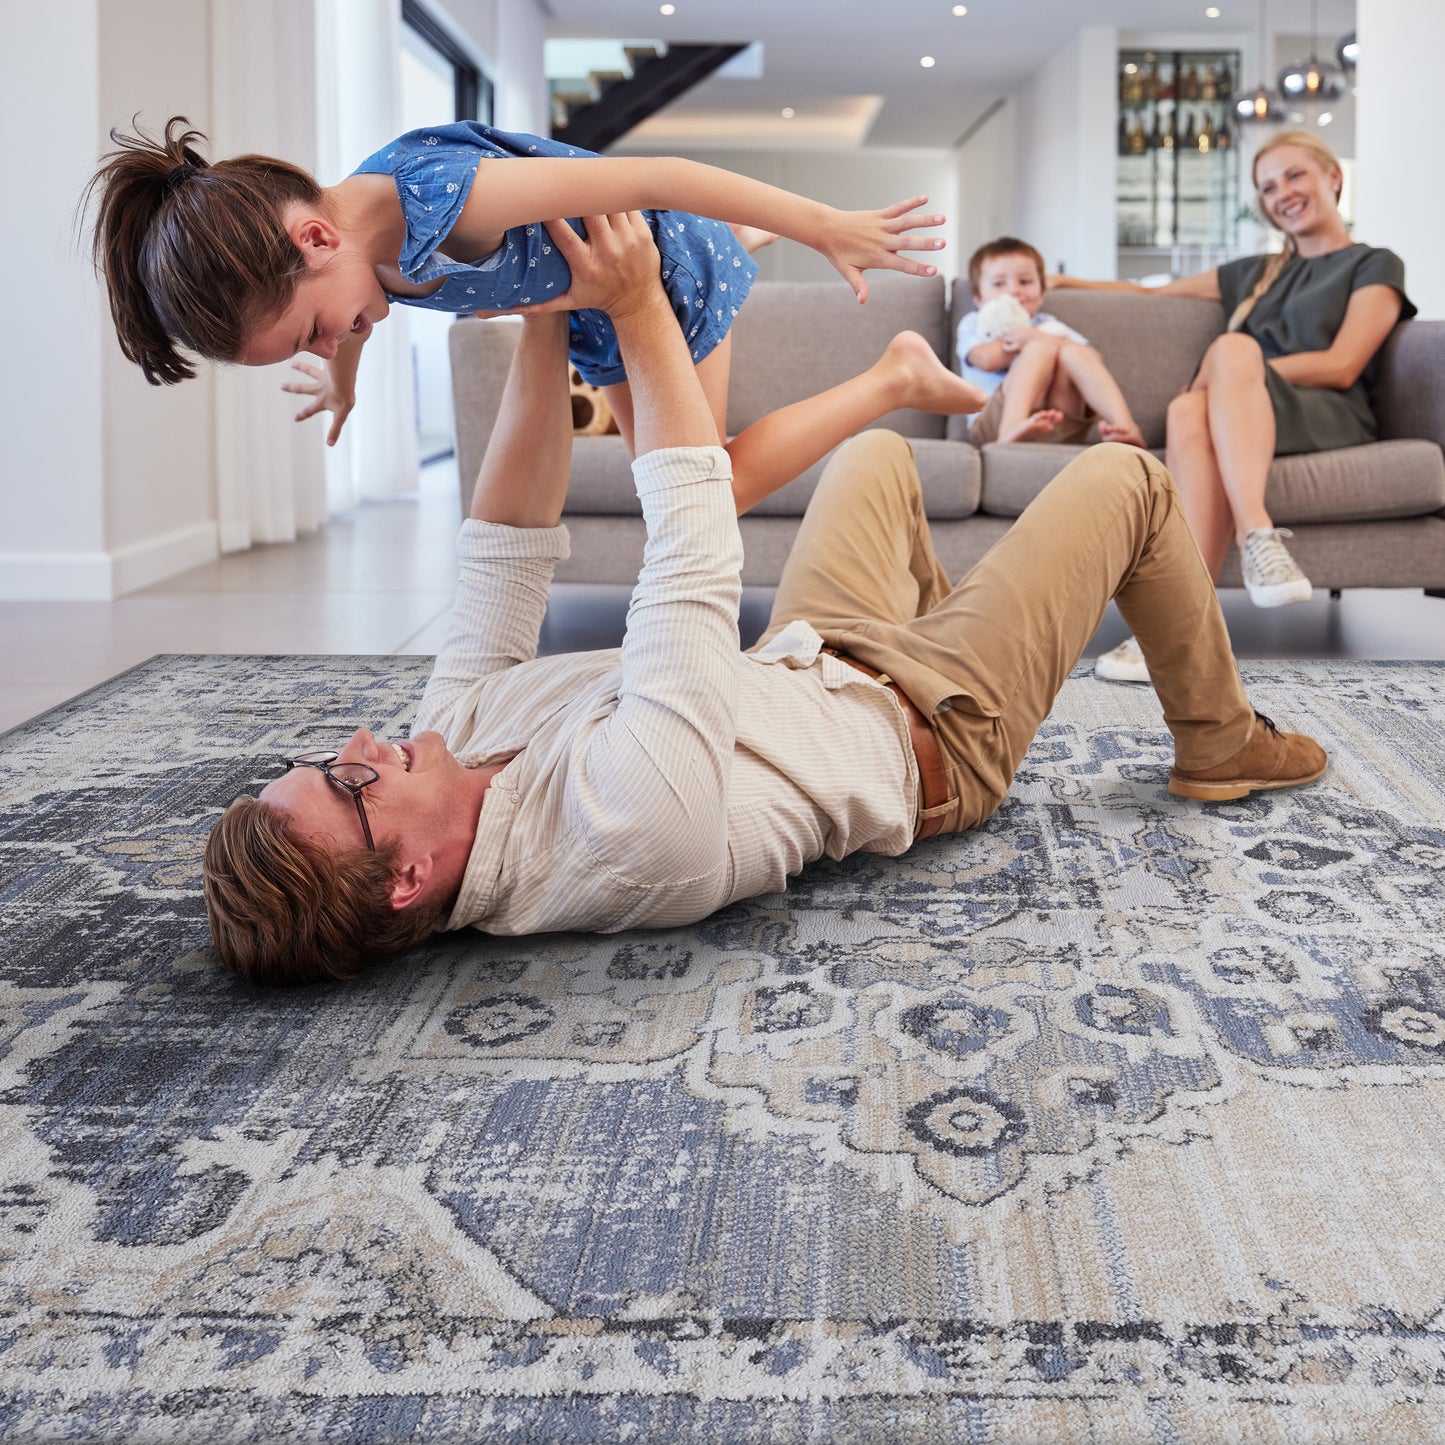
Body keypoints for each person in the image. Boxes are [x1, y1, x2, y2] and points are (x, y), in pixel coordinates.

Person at [202, 211, 1328, 988]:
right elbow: (690, 554)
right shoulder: (624, 830)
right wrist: (637, 311)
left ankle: (962, 617)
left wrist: (547, 309)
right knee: (1128, 480)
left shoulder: (441, 749)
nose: (361, 740)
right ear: (407, 878)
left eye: (330, 754)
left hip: (813, 655)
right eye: (349, 780)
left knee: (875, 463)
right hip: (931, 730)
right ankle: (1219, 739)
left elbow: (501, 551)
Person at [86, 116, 944, 504]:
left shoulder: (454, 200)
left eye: (316, 333)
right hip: (587, 310)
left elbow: (657, 177)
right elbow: (359, 301)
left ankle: (893, 372)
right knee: (679, 483)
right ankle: (737, 246)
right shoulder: (353, 252)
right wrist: (342, 380)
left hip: (658, 277)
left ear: (313, 239)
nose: (338, 338)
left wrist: (824, 224)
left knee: (701, 492)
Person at [1050, 130, 1415, 684]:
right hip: (1239, 411)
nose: (1282, 194)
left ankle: (1256, 534)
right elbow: (1150, 295)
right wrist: (1062, 282)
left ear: (1332, 178)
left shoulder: (1374, 263)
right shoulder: (1255, 271)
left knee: (1231, 351)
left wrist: (1234, 373)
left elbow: (1343, 363)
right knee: (1185, 412)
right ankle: (1177, 625)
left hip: (1325, 411)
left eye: (1295, 176)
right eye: (1268, 188)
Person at [956, 236, 1146, 448]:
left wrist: (1041, 337)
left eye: (1025, 282)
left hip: (1059, 423)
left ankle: (1125, 424)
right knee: (1040, 347)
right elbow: (984, 359)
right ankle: (1012, 425)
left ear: (1041, 293)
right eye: (999, 284)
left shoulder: (1047, 324)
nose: (1014, 290)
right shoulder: (973, 323)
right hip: (994, 425)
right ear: (978, 298)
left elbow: (1090, 359)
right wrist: (1025, 340)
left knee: (1071, 352)